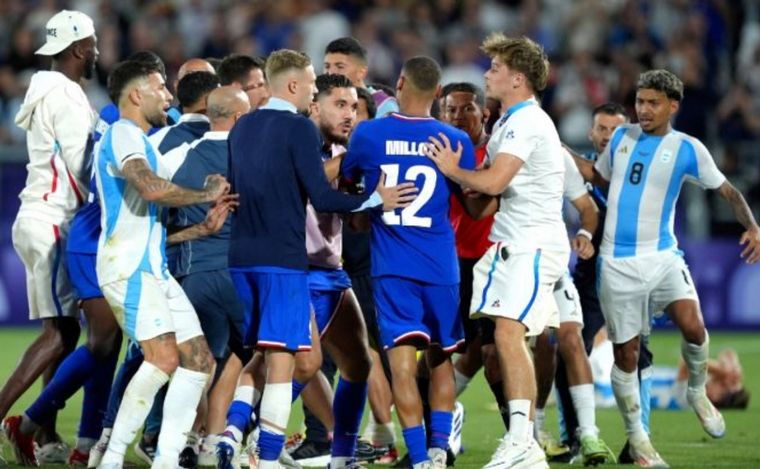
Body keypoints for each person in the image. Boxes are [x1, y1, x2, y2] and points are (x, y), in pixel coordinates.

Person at [223, 49, 415, 469]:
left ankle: (339, 454)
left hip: (329, 269)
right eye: (340, 105)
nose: (350, 116)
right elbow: (311, 187)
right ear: (313, 103)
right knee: (293, 359)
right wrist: (357, 180)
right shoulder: (298, 136)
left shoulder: (320, 145)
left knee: (358, 362)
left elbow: (351, 219)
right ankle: (252, 441)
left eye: (356, 109)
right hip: (295, 267)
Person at [574, 69, 760, 466]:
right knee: (627, 355)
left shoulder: (688, 149)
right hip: (617, 263)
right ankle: (638, 440)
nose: (643, 109)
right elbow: (601, 177)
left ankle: (696, 391)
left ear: (672, 106)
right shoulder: (622, 138)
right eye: (639, 101)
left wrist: (753, 226)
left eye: (652, 102)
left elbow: (728, 191)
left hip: (662, 257)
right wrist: (558, 151)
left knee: (694, 326)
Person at [426, 33, 569, 469]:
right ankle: (523, 441)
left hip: (532, 243)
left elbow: (494, 183)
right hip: (510, 243)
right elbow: (480, 204)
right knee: (505, 339)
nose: (487, 73)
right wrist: (460, 178)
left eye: (495, 68)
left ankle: (524, 441)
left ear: (518, 78)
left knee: (508, 335)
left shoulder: (528, 122)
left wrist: (454, 167)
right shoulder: (510, 122)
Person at [341, 56, 481, 469]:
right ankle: (439, 450)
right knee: (440, 360)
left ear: (399, 83)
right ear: (438, 93)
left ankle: (419, 459)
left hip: (392, 269)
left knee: (402, 366)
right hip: (441, 267)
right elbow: (472, 205)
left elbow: (349, 184)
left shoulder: (368, 134)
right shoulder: (455, 141)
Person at [94, 58, 226, 469]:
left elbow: (152, 225)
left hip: (153, 268)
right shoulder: (122, 133)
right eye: (160, 88)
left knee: (199, 360)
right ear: (136, 95)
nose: (169, 96)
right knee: (163, 358)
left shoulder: (145, 141)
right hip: (128, 268)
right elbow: (150, 189)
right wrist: (202, 195)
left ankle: (167, 459)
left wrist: (199, 230)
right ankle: (111, 459)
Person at [1, 10, 99, 466]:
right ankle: (13, 420)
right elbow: (81, 170)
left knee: (60, 329)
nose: (97, 51)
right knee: (61, 335)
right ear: (80, 48)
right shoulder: (68, 96)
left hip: (35, 214)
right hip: (55, 218)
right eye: (93, 44)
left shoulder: (47, 89)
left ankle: (44, 432)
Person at [160, 85, 251, 467]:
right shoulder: (252, 155)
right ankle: (232, 438)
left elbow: (157, 222)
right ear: (237, 117)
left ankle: (187, 441)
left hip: (193, 276)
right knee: (263, 357)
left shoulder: (176, 156)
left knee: (200, 365)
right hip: (242, 276)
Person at [324, 37, 398, 117]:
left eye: (340, 67)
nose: (330, 73)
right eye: (327, 66)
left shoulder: (384, 107)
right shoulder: (321, 104)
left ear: (361, 72)